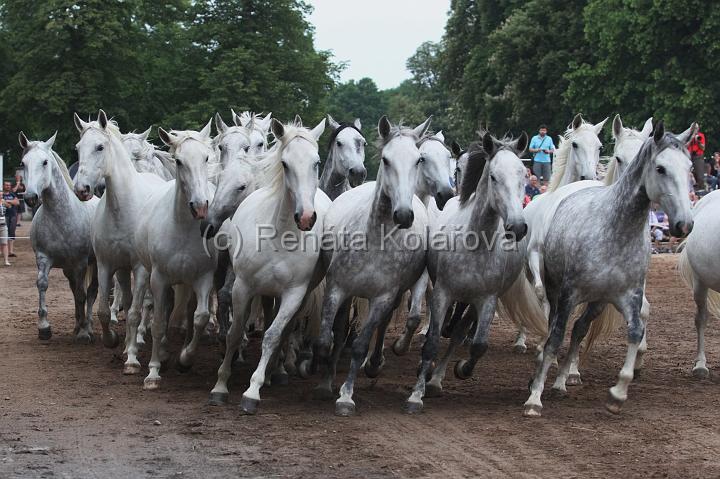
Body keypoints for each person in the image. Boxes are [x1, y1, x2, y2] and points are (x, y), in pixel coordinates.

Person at [2, 181, 19, 257]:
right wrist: (11, 203)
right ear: (3, 186)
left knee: (11, 233)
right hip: (3, 216)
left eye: (9, 185)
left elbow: (17, 202)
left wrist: (8, 201)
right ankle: (2, 251)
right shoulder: (1, 194)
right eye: (6, 185)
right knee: (2, 233)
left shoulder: (12, 194)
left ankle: (11, 251)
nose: (8, 186)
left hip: (12, 215)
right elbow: (4, 204)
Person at [0, 194, 10, 266]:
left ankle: (6, 260)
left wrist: (5, 202)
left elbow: (10, 206)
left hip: (3, 225)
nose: (1, 196)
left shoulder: (3, 202)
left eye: (1, 195)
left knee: (5, 243)